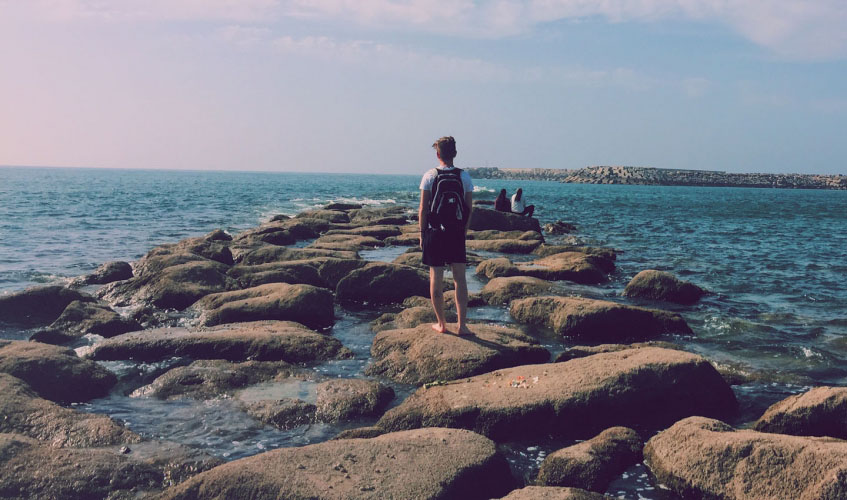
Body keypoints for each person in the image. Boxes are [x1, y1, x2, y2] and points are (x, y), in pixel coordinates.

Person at [419, 136, 474, 336]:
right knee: (460, 279)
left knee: (436, 278)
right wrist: (464, 231)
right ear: (455, 154)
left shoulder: (429, 176)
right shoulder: (464, 177)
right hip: (456, 233)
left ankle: (441, 324)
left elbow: (423, 209)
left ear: (438, 154)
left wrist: (422, 233)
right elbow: (469, 208)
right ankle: (462, 326)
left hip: (434, 232)